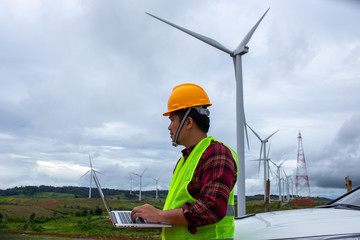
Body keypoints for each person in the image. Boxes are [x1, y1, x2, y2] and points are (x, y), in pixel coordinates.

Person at [131, 83, 238, 240]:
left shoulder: (216, 153)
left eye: (172, 119)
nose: (169, 127)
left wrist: (160, 214)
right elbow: (182, 212)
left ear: (188, 123)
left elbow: (212, 209)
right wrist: (154, 218)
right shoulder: (185, 160)